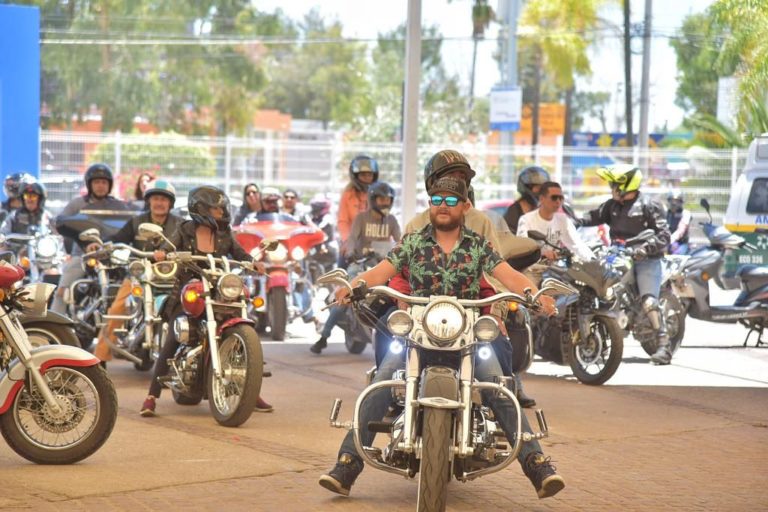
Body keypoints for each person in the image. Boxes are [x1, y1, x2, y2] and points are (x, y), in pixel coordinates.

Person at [317, 177, 564, 500]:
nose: (442, 206)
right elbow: (382, 271)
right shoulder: (413, 242)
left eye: (450, 200)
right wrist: (353, 286)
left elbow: (508, 275)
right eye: (436, 200)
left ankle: (537, 463)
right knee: (383, 379)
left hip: (468, 336)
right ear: (429, 204)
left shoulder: (478, 245)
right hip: (419, 332)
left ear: (465, 206)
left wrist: (535, 294)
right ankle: (347, 463)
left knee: (498, 387)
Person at [402, 149, 541, 407]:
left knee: (498, 369)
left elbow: (498, 274)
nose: (456, 182)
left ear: (465, 202)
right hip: (421, 317)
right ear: (431, 188)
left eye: (461, 178)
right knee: (387, 362)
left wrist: (496, 311)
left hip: (471, 316)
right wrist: (396, 302)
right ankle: (383, 408)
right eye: (450, 177)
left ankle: (514, 405)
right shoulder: (414, 231)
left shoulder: (480, 232)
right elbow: (397, 273)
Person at [140, 186, 272, 416]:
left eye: (222, 208)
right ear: (200, 209)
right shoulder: (185, 229)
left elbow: (239, 253)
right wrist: (162, 253)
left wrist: (253, 262)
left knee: (241, 325)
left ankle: (249, 389)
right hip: (189, 291)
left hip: (218, 289)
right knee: (175, 336)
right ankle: (152, 396)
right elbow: (167, 247)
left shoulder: (224, 232)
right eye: (216, 208)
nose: (221, 212)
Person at [580, 164, 672, 365]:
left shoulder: (649, 205)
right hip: (617, 255)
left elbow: (664, 235)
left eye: (615, 184)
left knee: (649, 302)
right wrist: (572, 220)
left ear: (626, 185)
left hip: (646, 259)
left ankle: (664, 346)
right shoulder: (613, 206)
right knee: (598, 288)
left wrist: (645, 249)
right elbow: (593, 217)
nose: (612, 187)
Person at [93, 180, 183, 364]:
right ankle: (99, 359)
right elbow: (118, 239)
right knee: (117, 309)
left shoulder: (180, 225)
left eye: (163, 199)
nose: (159, 203)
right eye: (155, 198)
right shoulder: (136, 222)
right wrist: (102, 245)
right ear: (149, 201)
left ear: (170, 203)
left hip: (171, 277)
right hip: (139, 276)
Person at [311, 182, 401, 354]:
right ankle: (324, 337)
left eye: (388, 200)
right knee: (346, 295)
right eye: (381, 199)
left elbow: (399, 241)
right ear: (373, 199)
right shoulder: (361, 218)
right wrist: (351, 253)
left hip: (382, 265)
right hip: (360, 263)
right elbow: (352, 238)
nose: (385, 203)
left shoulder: (391, 220)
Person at [51, 163, 132, 315]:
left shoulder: (118, 206)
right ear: (89, 184)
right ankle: (54, 320)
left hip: (113, 255)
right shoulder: (78, 204)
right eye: (97, 182)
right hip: (83, 255)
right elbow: (60, 221)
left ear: (109, 185)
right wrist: (84, 241)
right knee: (64, 288)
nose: (100, 186)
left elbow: (130, 224)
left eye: (104, 182)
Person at [517, 181, 594, 264]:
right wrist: (541, 253)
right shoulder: (526, 220)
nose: (558, 201)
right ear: (542, 199)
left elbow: (577, 245)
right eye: (554, 198)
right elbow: (522, 248)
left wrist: (593, 260)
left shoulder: (563, 220)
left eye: (561, 198)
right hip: (533, 268)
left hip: (555, 268)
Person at [338, 155, 379, 263]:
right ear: (355, 176)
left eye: (370, 174)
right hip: (353, 242)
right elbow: (343, 221)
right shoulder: (348, 195)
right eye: (363, 175)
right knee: (342, 267)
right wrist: (347, 241)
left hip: (375, 243)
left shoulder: (379, 194)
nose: (367, 178)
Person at [503, 166, 551, 234]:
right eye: (537, 187)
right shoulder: (513, 211)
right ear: (525, 187)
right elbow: (507, 236)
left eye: (542, 188)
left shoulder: (546, 209)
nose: (540, 191)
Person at [667, 190, 691, 255]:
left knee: (676, 255)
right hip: (666, 242)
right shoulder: (665, 213)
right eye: (672, 200)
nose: (674, 203)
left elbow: (681, 230)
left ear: (681, 202)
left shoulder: (686, 214)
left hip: (681, 243)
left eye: (676, 201)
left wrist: (671, 240)